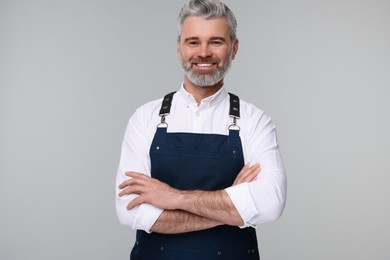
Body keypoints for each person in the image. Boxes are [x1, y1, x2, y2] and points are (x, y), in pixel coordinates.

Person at [116, 0, 287, 259]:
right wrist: (233, 206)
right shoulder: (145, 118)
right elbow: (130, 210)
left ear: (234, 48)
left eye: (216, 41)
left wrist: (173, 197)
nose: (204, 52)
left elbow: (270, 204)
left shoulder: (255, 121)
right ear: (179, 48)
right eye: (193, 42)